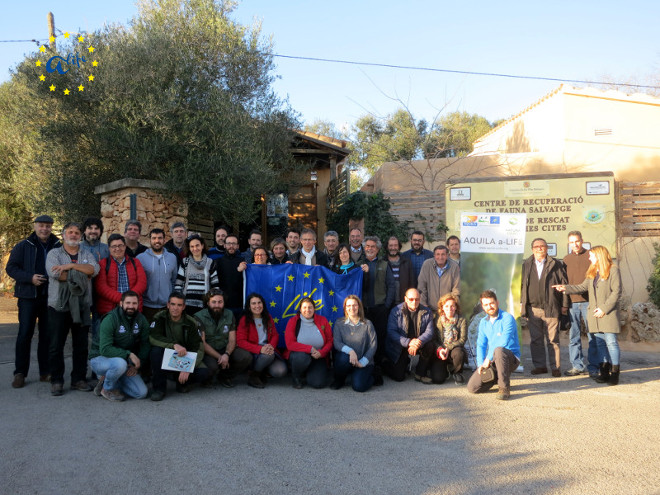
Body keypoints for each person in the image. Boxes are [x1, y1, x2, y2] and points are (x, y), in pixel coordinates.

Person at [553, 246, 622, 385]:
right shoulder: (592, 271)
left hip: (607, 314)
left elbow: (616, 292)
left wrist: (604, 308)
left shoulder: (613, 269)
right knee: (601, 344)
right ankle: (604, 372)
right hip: (595, 315)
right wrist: (565, 288)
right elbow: (582, 287)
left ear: (599, 256)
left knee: (611, 343)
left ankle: (614, 373)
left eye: (591, 256)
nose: (589, 258)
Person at [6, 215, 61, 388]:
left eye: (47, 226)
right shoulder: (24, 245)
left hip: (50, 297)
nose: (44, 229)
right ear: (35, 226)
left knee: (46, 336)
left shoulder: (58, 245)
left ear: (51, 227)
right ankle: (20, 372)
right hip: (28, 296)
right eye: (41, 225)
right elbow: (11, 268)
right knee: (24, 335)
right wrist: (30, 278)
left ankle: (45, 372)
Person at [46, 222, 100, 396]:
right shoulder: (54, 254)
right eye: (70, 232)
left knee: (81, 345)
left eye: (77, 232)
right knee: (56, 345)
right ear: (63, 235)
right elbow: (56, 274)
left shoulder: (87, 254)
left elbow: (94, 269)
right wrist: (82, 274)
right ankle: (57, 380)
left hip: (83, 306)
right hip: (59, 306)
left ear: (81, 235)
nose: (74, 235)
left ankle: (78, 379)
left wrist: (70, 266)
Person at [89, 291, 150, 401]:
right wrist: (129, 355)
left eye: (134, 303)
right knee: (120, 364)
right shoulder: (110, 318)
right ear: (121, 303)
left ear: (138, 304)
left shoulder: (141, 319)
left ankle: (108, 380)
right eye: (128, 303)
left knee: (141, 393)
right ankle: (107, 388)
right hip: (100, 359)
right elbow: (105, 349)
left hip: (124, 362)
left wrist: (137, 365)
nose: (131, 306)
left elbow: (145, 343)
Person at [520, 238, 569, 377]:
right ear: (532, 249)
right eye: (536, 246)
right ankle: (540, 366)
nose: (539, 248)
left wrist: (564, 305)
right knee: (536, 339)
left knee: (553, 340)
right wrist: (523, 305)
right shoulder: (526, 264)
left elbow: (564, 285)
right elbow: (522, 286)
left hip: (552, 307)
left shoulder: (556, 264)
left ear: (547, 248)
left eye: (542, 246)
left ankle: (556, 367)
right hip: (533, 308)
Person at [149, 292, 209, 401]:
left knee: (203, 372)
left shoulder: (191, 322)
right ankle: (159, 389)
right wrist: (173, 345)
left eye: (179, 305)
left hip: (183, 358)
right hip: (165, 357)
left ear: (184, 307)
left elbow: (198, 347)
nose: (175, 308)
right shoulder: (159, 317)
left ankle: (181, 382)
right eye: (173, 304)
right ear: (168, 305)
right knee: (155, 351)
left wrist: (188, 367)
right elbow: (153, 338)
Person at [467, 290, 521, 400]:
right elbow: (481, 344)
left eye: (491, 303)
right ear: (482, 306)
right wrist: (481, 364)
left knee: (499, 350)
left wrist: (488, 358)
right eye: (486, 305)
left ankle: (504, 388)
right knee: (472, 388)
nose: (489, 307)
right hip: (493, 360)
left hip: (510, 358)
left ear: (497, 302)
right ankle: (498, 377)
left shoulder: (507, 318)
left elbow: (503, 341)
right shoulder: (483, 322)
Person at [195, 289, 251, 388]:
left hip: (225, 347)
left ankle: (225, 376)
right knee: (212, 366)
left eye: (220, 302)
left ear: (224, 303)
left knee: (245, 356)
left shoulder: (229, 314)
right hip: (209, 351)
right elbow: (202, 343)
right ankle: (208, 378)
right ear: (208, 303)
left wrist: (226, 354)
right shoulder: (199, 317)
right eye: (214, 302)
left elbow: (232, 339)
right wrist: (220, 357)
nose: (217, 305)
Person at [234, 293, 287, 388]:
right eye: (253, 303)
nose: (257, 306)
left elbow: (275, 335)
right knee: (268, 356)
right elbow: (240, 341)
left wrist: (271, 346)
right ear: (249, 307)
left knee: (280, 371)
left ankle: (261, 371)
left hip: (268, 350)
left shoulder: (268, 317)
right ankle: (254, 376)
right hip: (254, 352)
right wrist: (259, 349)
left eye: (259, 303)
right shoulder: (245, 319)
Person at [383, 288, 436, 383]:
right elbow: (391, 332)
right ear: (405, 299)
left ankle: (420, 373)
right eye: (411, 299)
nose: (414, 302)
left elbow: (430, 332)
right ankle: (388, 363)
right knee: (399, 377)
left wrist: (418, 342)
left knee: (430, 345)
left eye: (417, 299)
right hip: (401, 345)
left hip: (419, 343)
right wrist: (409, 342)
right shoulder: (395, 311)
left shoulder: (427, 311)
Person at [331, 295, 377, 392]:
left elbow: (373, 346)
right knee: (342, 358)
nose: (352, 308)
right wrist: (351, 351)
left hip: (363, 361)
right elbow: (337, 343)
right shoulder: (339, 323)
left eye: (354, 305)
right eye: (349, 306)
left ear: (359, 307)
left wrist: (363, 362)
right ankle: (339, 380)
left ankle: (373, 376)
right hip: (347, 360)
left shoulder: (368, 324)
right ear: (345, 308)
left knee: (359, 387)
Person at [284, 297, 333, 389]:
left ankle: (309, 372)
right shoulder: (293, 321)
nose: (307, 310)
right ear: (300, 309)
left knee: (318, 384)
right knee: (302, 358)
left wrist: (322, 353)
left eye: (310, 307)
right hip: (300, 356)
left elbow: (330, 341)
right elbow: (290, 344)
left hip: (318, 356)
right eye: (304, 307)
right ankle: (296, 377)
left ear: (314, 309)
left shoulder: (323, 320)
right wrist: (309, 349)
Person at [95, 234, 148, 316]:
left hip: (133, 308)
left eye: (120, 245)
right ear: (109, 248)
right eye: (114, 246)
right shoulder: (103, 264)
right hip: (111, 310)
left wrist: (129, 300)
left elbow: (142, 283)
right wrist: (123, 299)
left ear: (125, 246)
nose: (117, 249)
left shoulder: (135, 262)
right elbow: (101, 287)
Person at [362, 235, 396, 364]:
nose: (370, 248)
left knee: (380, 338)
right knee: (365, 339)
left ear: (378, 249)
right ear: (364, 248)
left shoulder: (384, 264)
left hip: (380, 308)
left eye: (373, 246)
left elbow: (391, 285)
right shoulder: (358, 264)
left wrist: (387, 305)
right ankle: (366, 365)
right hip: (363, 309)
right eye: (367, 246)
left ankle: (379, 367)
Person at [562, 231, 591, 376]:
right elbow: (564, 284)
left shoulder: (591, 256)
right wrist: (565, 304)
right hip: (572, 303)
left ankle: (595, 366)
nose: (575, 244)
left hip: (589, 302)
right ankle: (577, 366)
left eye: (577, 241)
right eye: (572, 242)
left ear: (582, 240)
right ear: (569, 243)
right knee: (574, 336)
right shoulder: (566, 259)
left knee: (593, 335)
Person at [136, 228, 179, 321]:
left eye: (159, 238)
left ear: (164, 240)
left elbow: (174, 280)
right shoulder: (140, 258)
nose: (157, 241)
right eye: (154, 238)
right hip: (147, 306)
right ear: (150, 240)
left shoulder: (172, 257)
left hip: (166, 306)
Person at [174, 234, 220, 314]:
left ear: (202, 246)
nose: (195, 248)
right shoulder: (185, 262)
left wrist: (211, 302)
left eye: (197, 245)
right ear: (189, 248)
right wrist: (179, 302)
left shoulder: (210, 262)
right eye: (192, 246)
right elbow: (178, 285)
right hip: (186, 306)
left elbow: (215, 286)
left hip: (204, 306)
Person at [434, 293, 467, 384]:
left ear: (456, 307)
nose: (449, 308)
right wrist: (440, 349)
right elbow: (434, 339)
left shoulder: (462, 320)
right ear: (442, 307)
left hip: (454, 349)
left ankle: (457, 372)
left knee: (458, 352)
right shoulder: (437, 320)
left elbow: (462, 339)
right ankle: (446, 368)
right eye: (446, 306)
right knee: (438, 379)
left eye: (452, 306)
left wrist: (448, 348)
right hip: (441, 350)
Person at [417, 245, 460, 312]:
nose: (440, 257)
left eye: (443, 254)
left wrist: (450, 306)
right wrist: (423, 304)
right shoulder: (427, 264)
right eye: (438, 254)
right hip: (429, 308)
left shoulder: (454, 267)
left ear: (447, 255)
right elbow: (421, 286)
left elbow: (456, 289)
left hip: (447, 310)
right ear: (434, 255)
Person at [216, 234, 246, 317]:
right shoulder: (218, 262)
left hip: (240, 305)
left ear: (237, 246)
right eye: (229, 243)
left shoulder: (243, 261)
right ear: (224, 245)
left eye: (234, 244)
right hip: (223, 304)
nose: (231, 246)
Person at [386, 236, 414, 305]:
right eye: (391, 245)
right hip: (386, 302)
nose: (393, 248)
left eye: (395, 245)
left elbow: (412, 282)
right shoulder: (382, 262)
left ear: (399, 247)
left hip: (404, 302)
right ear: (387, 247)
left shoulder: (406, 262)